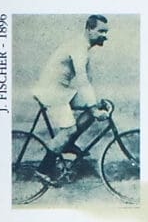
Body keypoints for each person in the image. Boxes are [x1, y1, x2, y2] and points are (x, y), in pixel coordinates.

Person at [30, 12, 111, 180]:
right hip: (51, 91)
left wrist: (95, 105)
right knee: (69, 130)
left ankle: (67, 143)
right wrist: (93, 108)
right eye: (101, 31)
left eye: (106, 32)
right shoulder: (79, 47)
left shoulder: (83, 47)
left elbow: (88, 81)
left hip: (60, 90)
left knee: (92, 110)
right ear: (89, 29)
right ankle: (43, 170)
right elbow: (82, 80)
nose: (105, 36)